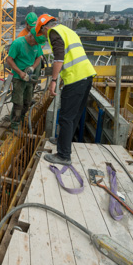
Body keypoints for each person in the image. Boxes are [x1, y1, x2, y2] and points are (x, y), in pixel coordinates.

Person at [34, 14, 96, 165]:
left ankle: (63, 155)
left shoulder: (53, 33)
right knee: (73, 115)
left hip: (75, 78)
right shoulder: (68, 30)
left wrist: (53, 81)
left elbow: (59, 58)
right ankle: (63, 141)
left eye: (42, 33)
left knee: (65, 117)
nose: (45, 36)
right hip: (86, 75)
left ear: (44, 27)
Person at [5, 27, 46, 130]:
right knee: (18, 102)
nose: (36, 45)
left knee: (27, 101)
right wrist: (20, 72)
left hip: (29, 77)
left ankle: (21, 120)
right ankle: (14, 125)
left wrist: (32, 67)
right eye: (35, 42)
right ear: (31, 36)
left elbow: (38, 57)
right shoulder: (18, 43)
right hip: (18, 78)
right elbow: (9, 60)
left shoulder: (36, 44)